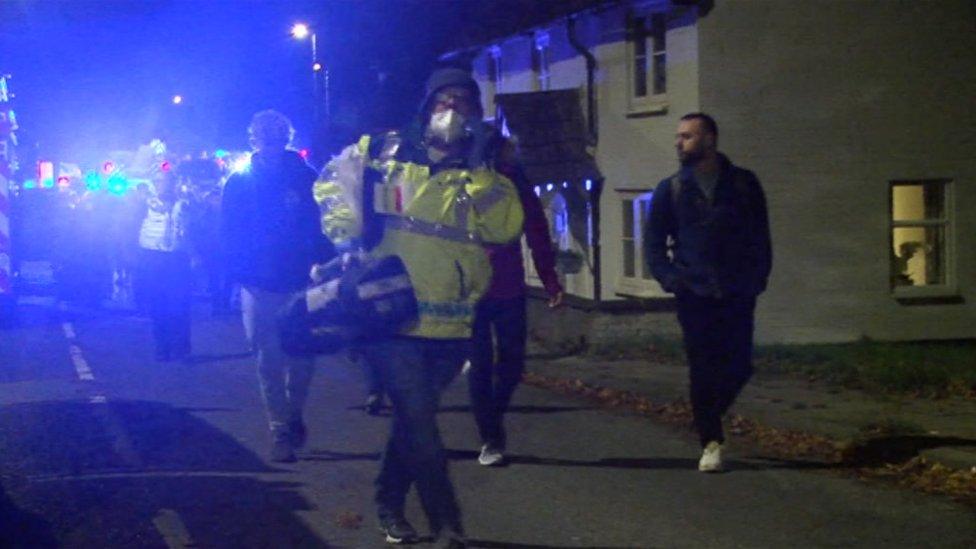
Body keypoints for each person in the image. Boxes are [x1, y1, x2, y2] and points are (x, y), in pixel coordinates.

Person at [314, 67, 524, 548]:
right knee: (417, 414)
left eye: (462, 103)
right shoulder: (384, 150)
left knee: (417, 416)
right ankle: (433, 523)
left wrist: (482, 168)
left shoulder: (482, 168)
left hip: (452, 317)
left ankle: (389, 499)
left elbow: (504, 228)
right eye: (442, 100)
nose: (451, 111)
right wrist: (345, 234)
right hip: (390, 309)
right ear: (426, 106)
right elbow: (332, 181)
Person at [644, 112, 772, 473]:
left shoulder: (743, 184)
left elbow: (760, 236)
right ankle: (711, 440)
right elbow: (654, 244)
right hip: (694, 292)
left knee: (739, 365)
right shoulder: (671, 189)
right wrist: (673, 280)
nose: (678, 142)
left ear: (709, 140)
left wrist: (758, 278)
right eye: (678, 136)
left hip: (736, 290)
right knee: (703, 366)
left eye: (687, 136)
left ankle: (706, 414)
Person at [221, 110, 336, 463]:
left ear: (286, 137)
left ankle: (293, 411)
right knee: (267, 359)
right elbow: (229, 233)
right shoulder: (239, 182)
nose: (269, 139)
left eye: (276, 133)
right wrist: (233, 275)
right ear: (253, 138)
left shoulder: (306, 178)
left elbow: (323, 227)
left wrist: (322, 264)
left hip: (301, 282)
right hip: (257, 284)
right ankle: (279, 429)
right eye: (263, 134)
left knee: (301, 357)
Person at [467, 161, 563, 467]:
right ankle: (491, 438)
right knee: (481, 365)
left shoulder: (514, 184)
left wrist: (549, 280)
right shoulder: (460, 179)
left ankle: (492, 418)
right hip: (472, 291)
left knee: (512, 363)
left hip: (507, 287)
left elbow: (537, 230)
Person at [136, 171, 193, 362]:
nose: (164, 186)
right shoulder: (144, 205)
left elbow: (193, 229)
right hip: (153, 257)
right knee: (158, 303)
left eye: (168, 182)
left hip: (178, 257)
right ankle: (162, 345)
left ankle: (180, 346)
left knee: (179, 303)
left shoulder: (184, 204)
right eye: (160, 182)